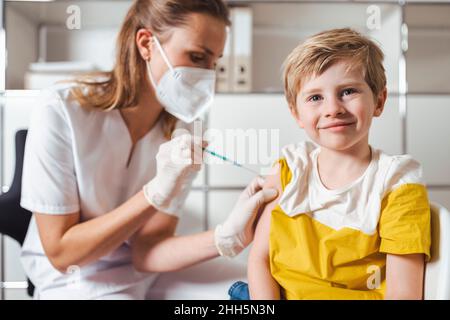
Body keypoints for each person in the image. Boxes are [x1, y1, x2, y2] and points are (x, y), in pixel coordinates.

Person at [20, 0, 278, 300]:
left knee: (251, 293)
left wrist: (226, 237)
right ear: (146, 44)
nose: (208, 77)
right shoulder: (60, 109)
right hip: (74, 277)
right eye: (196, 56)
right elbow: (62, 254)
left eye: (215, 63)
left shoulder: (186, 128)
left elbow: (147, 253)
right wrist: (154, 193)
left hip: (146, 272)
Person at [244, 28, 431, 300]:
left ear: (379, 101)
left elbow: (404, 294)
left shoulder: (398, 185)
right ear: (296, 113)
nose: (333, 108)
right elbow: (259, 261)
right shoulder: (290, 170)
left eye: (348, 91)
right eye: (315, 97)